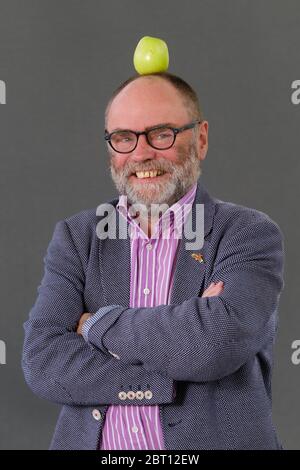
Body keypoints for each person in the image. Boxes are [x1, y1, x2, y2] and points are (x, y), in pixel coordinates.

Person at [22, 72, 285, 450]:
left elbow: (215, 342)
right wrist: (167, 373)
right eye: (124, 138)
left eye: (161, 134)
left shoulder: (247, 233)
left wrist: (94, 325)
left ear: (201, 138)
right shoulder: (78, 238)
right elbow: (42, 361)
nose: (142, 153)